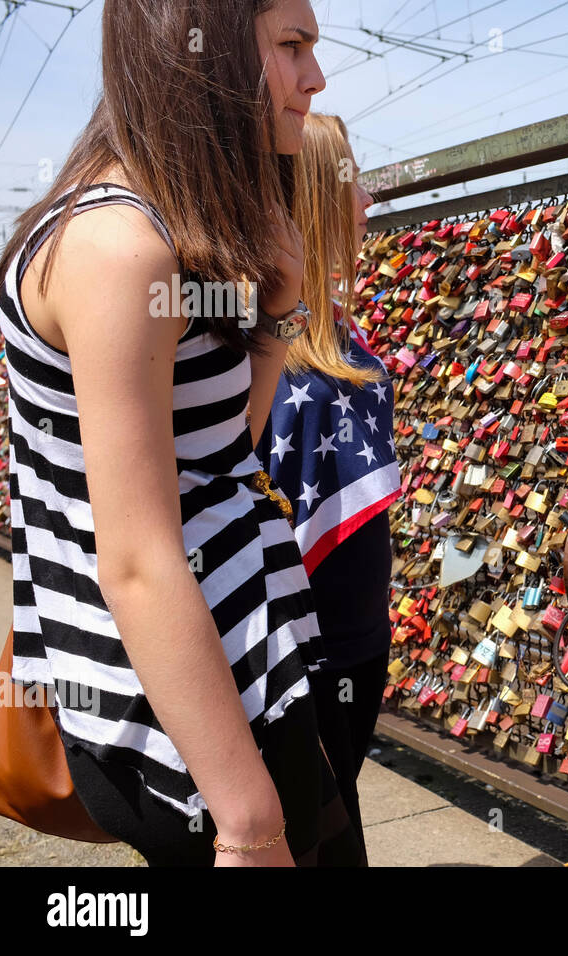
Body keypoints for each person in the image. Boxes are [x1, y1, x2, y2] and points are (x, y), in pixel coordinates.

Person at [0, 0, 363, 867]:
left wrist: (278, 311)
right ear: (200, 51)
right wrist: (247, 822)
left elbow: (217, 451)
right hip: (200, 721)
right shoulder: (122, 247)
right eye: (292, 45)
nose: (316, 77)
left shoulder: (163, 231)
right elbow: (138, 558)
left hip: (244, 670)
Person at [255, 114, 400, 853]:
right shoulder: (267, 335)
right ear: (315, 194)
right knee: (327, 841)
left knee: (336, 818)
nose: (366, 198)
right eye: (352, 179)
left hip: (359, 635)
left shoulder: (337, 328)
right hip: (306, 651)